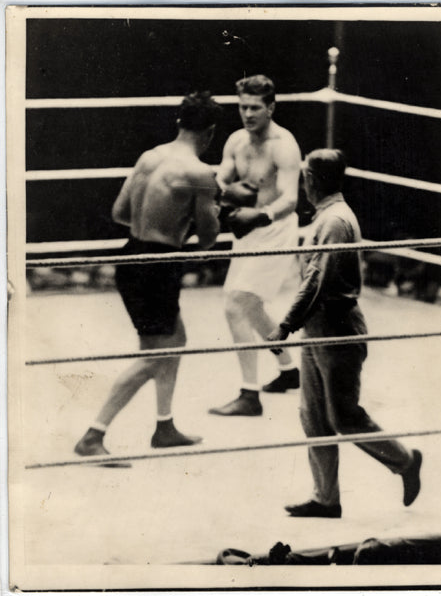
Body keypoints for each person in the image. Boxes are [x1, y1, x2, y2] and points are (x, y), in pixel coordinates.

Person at [267, 149, 423, 516]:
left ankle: (405, 461)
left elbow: (315, 281)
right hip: (318, 328)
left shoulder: (335, 221)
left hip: (337, 328)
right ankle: (325, 498)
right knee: (313, 416)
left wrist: (285, 324)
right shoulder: (328, 217)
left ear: (311, 180)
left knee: (345, 416)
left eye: (305, 176)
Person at [75, 92, 222, 457]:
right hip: (158, 264)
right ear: (211, 133)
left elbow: (120, 212)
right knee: (155, 357)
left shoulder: (149, 157)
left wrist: (160, 221)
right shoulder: (200, 173)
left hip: (131, 256)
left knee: (174, 340)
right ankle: (93, 435)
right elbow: (208, 239)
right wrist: (204, 213)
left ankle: (165, 426)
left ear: (179, 122)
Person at [209, 75, 302, 417]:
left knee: (237, 304)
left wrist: (261, 215)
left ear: (271, 108)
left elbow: (291, 199)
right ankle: (290, 370)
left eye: (255, 108)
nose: (247, 114)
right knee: (250, 307)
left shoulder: (284, 145)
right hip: (247, 230)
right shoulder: (236, 141)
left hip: (275, 230)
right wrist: (217, 192)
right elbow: (221, 178)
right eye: (242, 106)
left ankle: (249, 395)